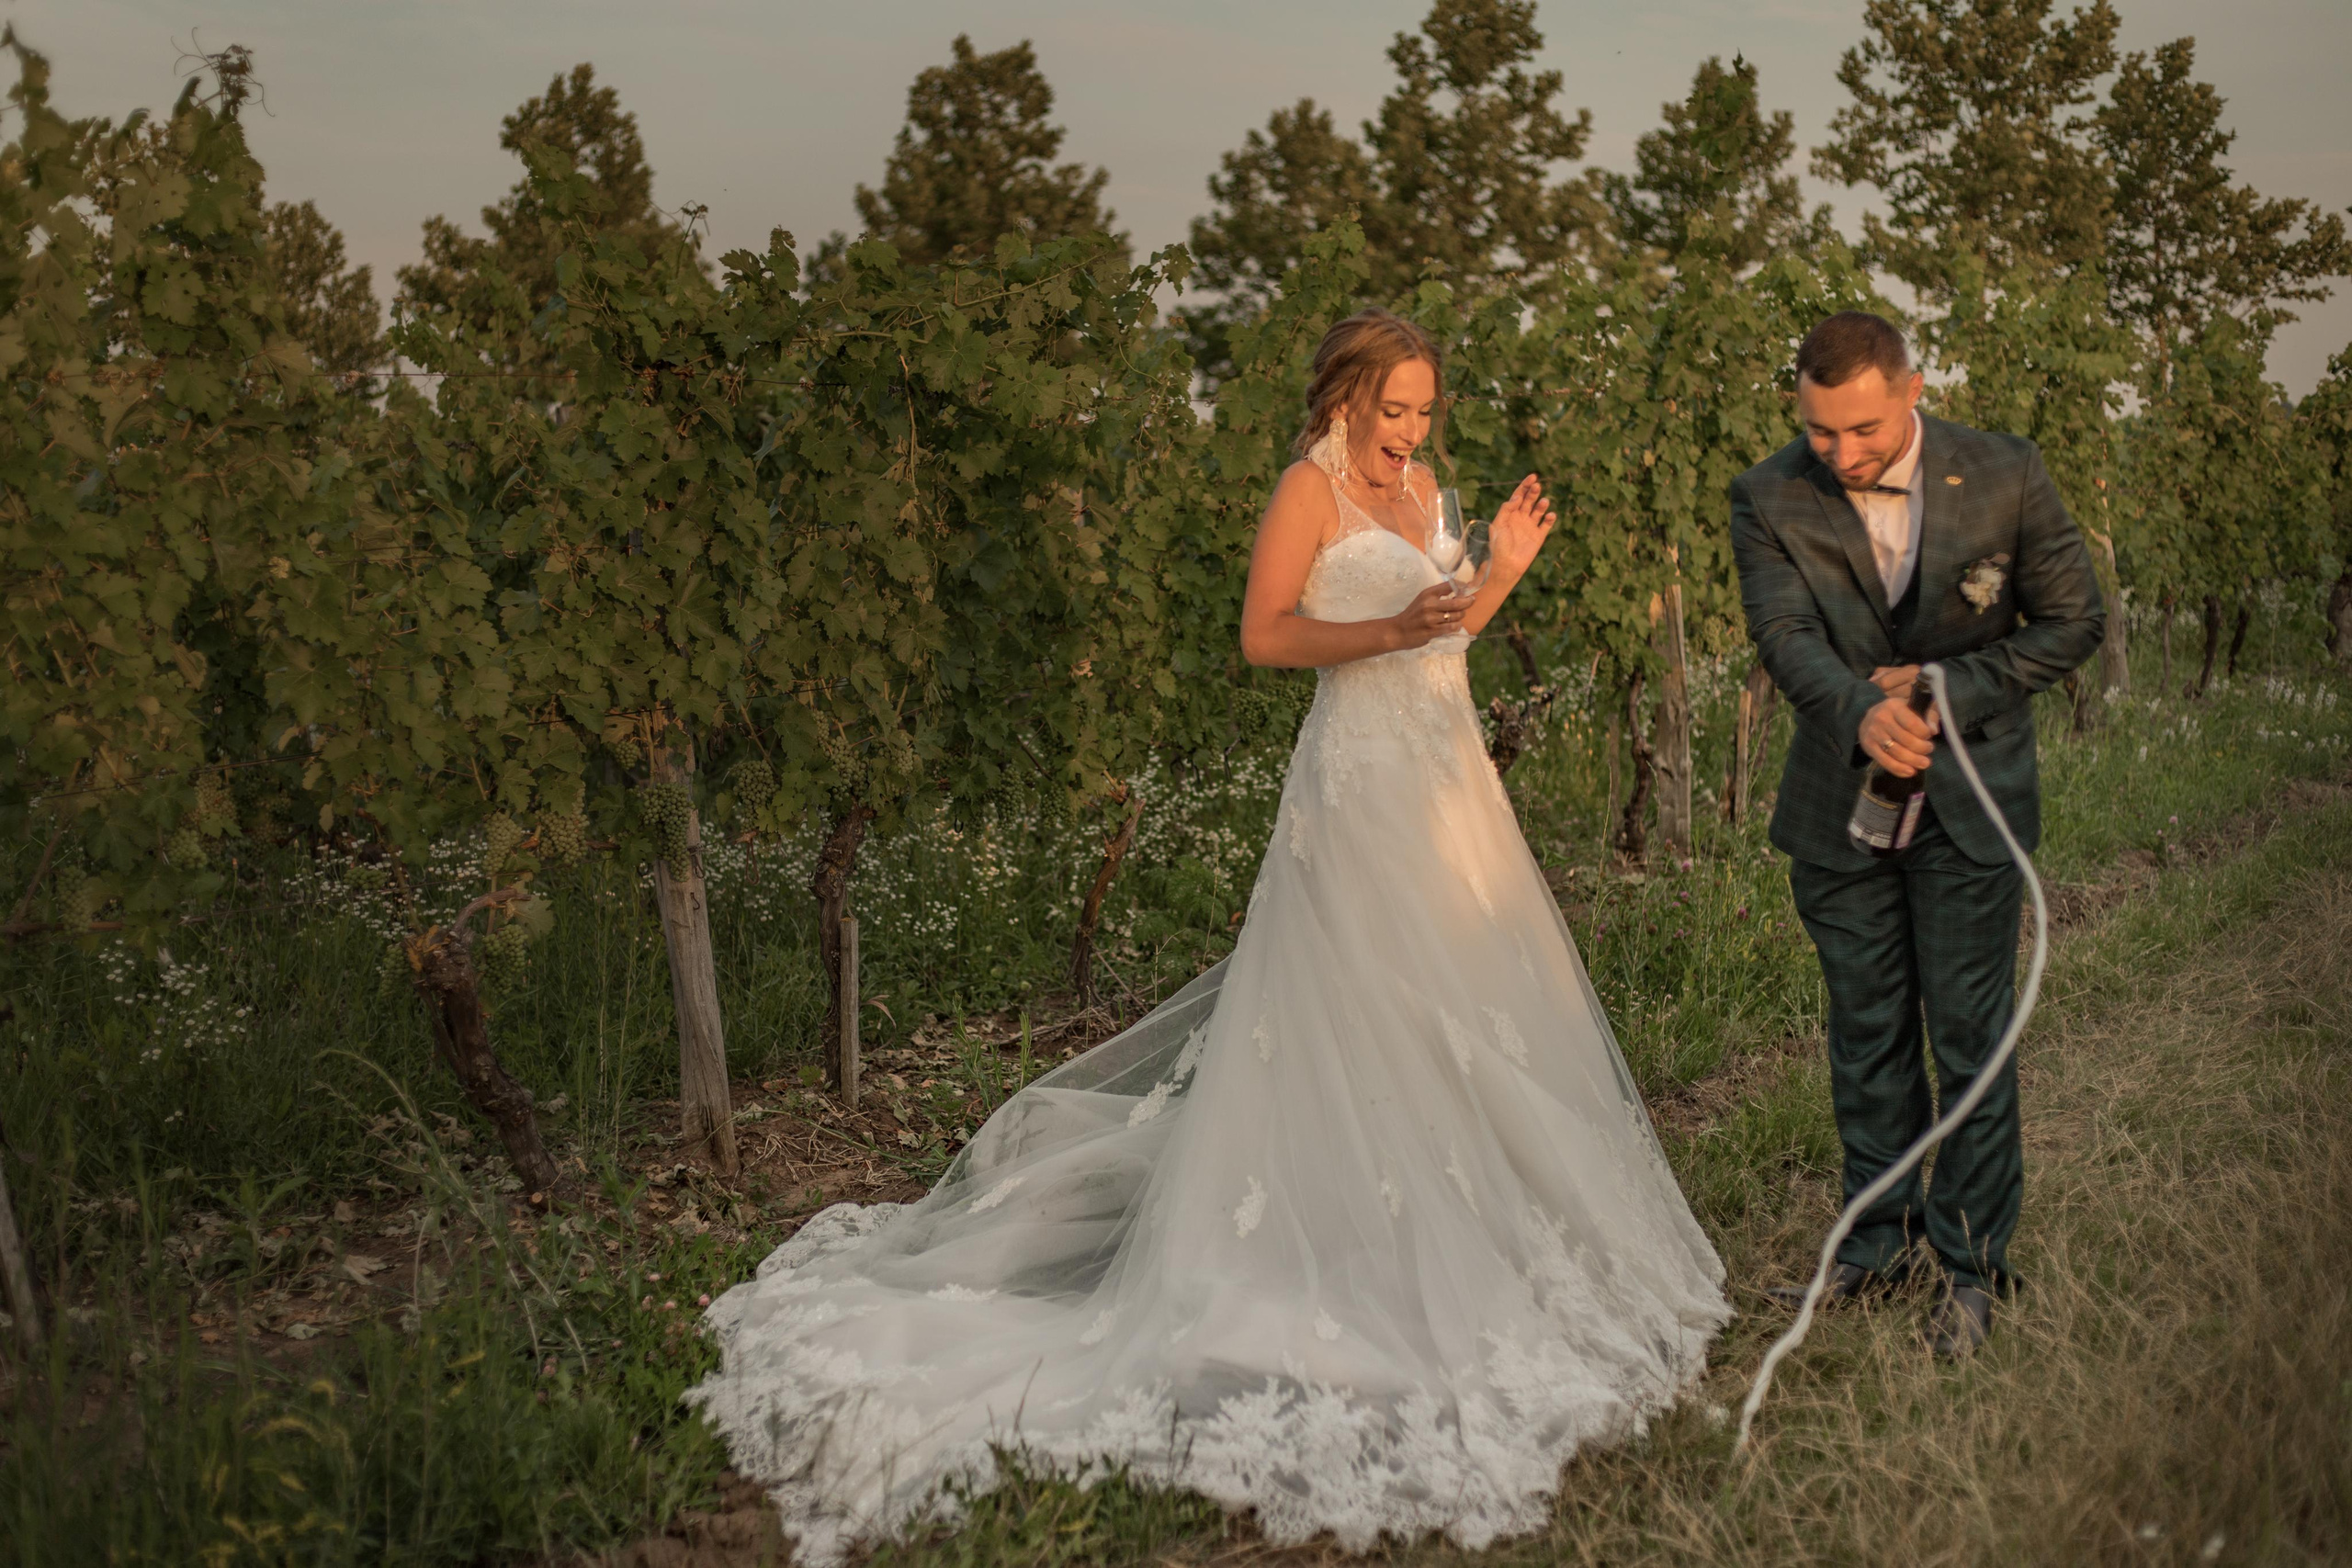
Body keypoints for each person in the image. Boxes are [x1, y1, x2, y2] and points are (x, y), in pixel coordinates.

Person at [688, 309, 1729, 1564]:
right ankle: (1332, 1246)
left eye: (1423, 411)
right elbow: (1267, 634)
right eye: (1392, 409)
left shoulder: (1425, 490)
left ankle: (1461, 1235)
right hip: (1358, 785)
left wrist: (1500, 565)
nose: (1410, 431)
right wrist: (1386, 631)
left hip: (1449, 783)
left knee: (1461, 1010)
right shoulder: (1308, 490)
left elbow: (1446, 632)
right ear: (1344, 400)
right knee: (1361, 1006)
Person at [1728, 310, 2105, 1358]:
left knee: (1970, 1038)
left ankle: (1971, 1267)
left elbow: (2073, 621)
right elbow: (1783, 633)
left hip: (1971, 801)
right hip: (1837, 806)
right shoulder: (1766, 494)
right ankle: (1875, 1248)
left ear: (1912, 390)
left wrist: (1945, 686)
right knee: (1866, 1032)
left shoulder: (2006, 473)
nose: (1841, 453)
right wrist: (1860, 711)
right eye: (1819, 430)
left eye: (1862, 429)